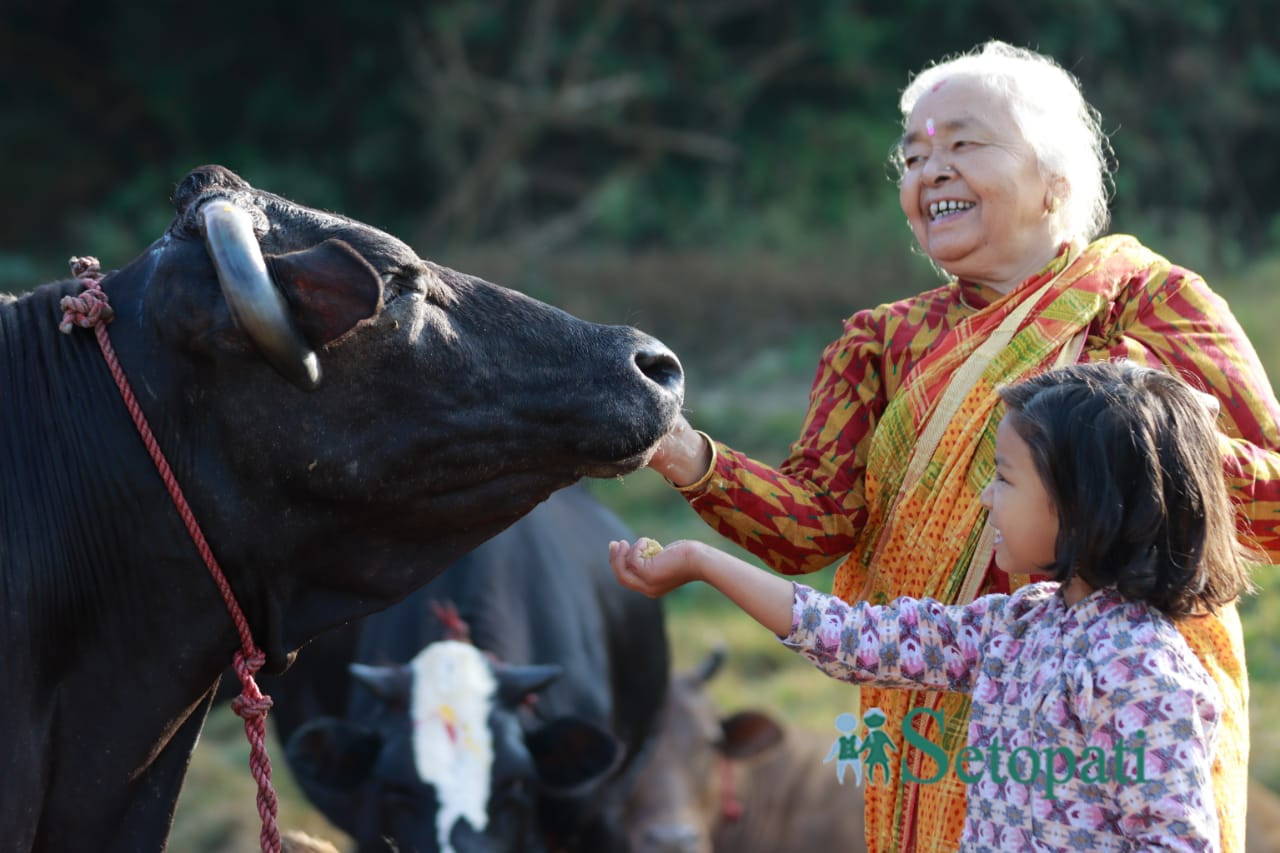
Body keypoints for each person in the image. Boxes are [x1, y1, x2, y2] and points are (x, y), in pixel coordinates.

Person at [646, 40, 1280, 853]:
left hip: (1112, 716)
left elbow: (1268, 512)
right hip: (929, 718)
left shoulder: (1151, 305)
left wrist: (1128, 448)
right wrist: (679, 451)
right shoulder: (879, 343)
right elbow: (811, 528)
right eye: (913, 155)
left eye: (963, 143)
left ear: (1057, 180)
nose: (929, 169)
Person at [619, 361, 1255, 851]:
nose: (983, 497)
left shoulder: (1144, 673)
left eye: (1004, 478)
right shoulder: (1020, 624)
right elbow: (850, 637)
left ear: (1084, 505)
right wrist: (702, 563)